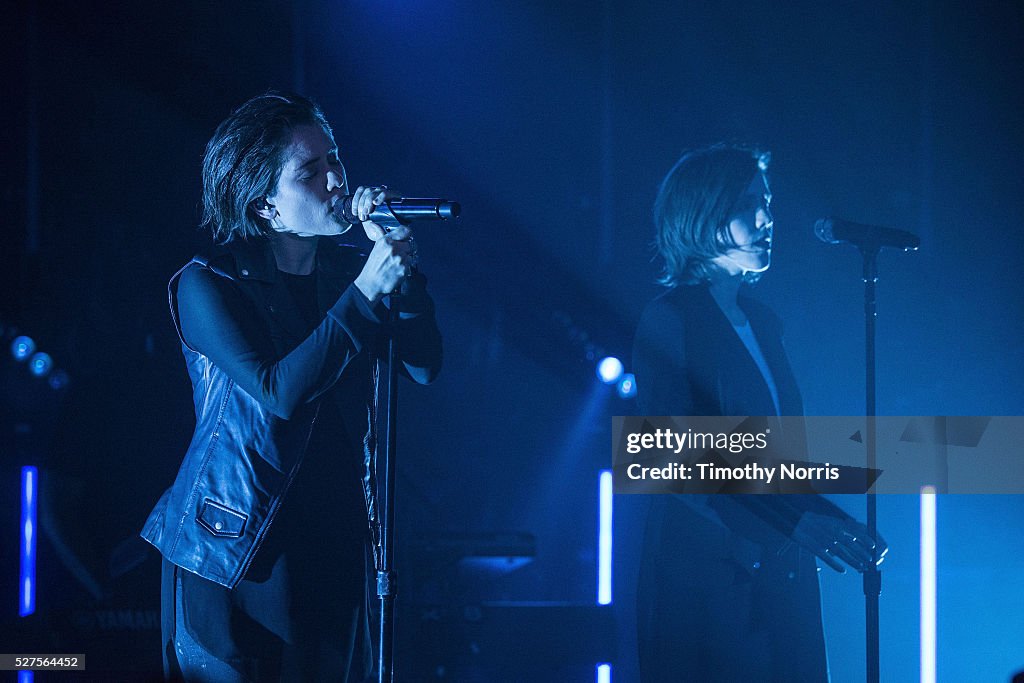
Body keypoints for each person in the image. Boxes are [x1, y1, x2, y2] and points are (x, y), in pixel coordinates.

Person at [140, 92, 442, 682]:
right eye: (310, 170)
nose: (336, 178)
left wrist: (402, 277)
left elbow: (425, 366)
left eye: (335, 159)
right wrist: (365, 291)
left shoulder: (348, 272)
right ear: (265, 207)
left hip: (333, 530)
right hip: (236, 544)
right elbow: (278, 394)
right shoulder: (209, 284)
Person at [632, 144, 884, 682]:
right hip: (708, 581)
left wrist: (839, 525)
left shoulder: (763, 321)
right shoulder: (671, 318)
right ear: (705, 213)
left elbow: (775, 458)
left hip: (777, 577)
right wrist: (793, 523)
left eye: (767, 201)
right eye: (750, 203)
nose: (768, 217)